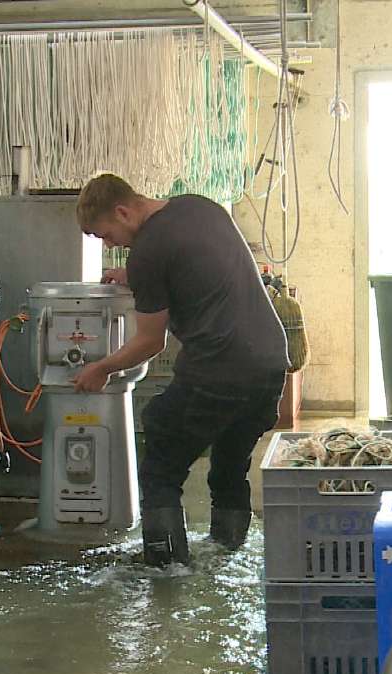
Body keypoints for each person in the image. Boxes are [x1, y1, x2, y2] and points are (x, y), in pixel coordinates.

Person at [71, 174, 289, 567]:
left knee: (160, 457)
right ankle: (227, 552)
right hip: (270, 363)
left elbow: (149, 343)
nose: (111, 246)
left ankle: (164, 566)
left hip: (219, 369)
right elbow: (196, 263)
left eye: (107, 235)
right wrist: (136, 277)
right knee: (229, 464)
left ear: (123, 212)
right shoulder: (199, 207)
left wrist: (102, 367)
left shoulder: (147, 251)